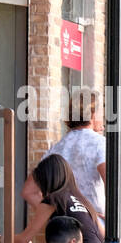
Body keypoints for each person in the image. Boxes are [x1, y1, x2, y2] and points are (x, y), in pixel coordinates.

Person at [14, 154, 103, 243]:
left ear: (46, 180)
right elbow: (102, 236)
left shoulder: (53, 200)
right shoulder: (81, 201)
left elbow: (23, 239)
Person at [47, 89, 107, 217]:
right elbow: (113, 186)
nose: (104, 117)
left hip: (62, 223)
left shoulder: (56, 148)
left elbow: (30, 192)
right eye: (102, 111)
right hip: (92, 223)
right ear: (92, 114)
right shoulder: (100, 144)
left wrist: (51, 213)